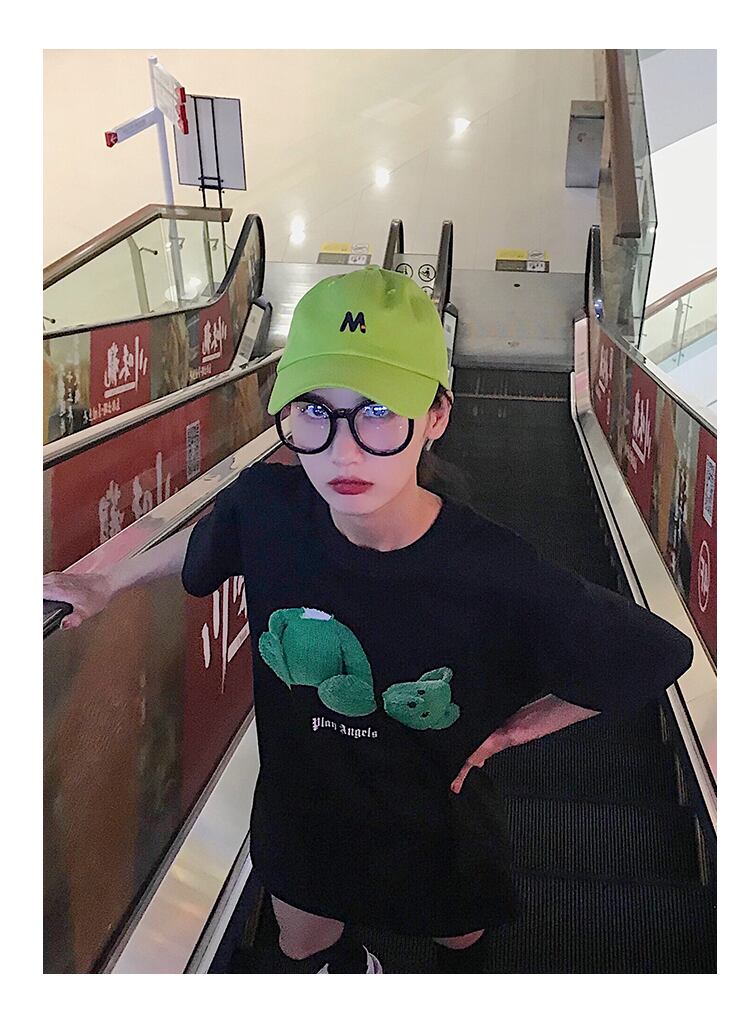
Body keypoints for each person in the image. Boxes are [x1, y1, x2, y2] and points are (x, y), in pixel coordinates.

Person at [43, 266, 695, 974]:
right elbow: (210, 543)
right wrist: (106, 581)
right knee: (305, 947)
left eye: (379, 411)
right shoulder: (266, 506)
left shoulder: (493, 571)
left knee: (459, 943)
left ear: (436, 417)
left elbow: (653, 653)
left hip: (435, 829)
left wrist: (512, 731)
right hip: (303, 817)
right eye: (314, 410)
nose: (343, 449)